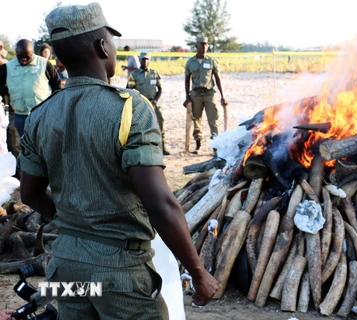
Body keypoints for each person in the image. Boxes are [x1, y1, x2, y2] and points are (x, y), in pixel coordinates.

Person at [18, 2, 217, 319]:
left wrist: (73, 224)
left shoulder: (40, 116)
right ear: (101, 46)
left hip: (65, 269)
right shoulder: (129, 108)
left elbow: (29, 193)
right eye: (111, 40)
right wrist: (198, 272)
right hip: (120, 276)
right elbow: (161, 203)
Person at [0, 39, 61, 138]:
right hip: (20, 115)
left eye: (27, 57)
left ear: (32, 52)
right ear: (16, 52)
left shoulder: (45, 64)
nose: (24, 59)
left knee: (45, 143)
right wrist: (6, 93)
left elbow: (57, 86)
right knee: (24, 146)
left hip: (43, 114)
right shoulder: (8, 67)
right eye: (21, 56)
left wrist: (54, 107)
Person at [183, 35, 228, 154]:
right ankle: (198, 145)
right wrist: (187, 97)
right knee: (196, 120)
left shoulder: (211, 61)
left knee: (213, 121)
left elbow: (218, 79)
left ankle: (215, 147)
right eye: (201, 44)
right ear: (196, 46)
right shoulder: (190, 62)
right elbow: (187, 80)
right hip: (195, 95)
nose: (204, 47)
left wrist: (223, 96)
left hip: (209, 94)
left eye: (206, 45)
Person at [127, 52, 170, 155]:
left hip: (153, 104)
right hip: (140, 105)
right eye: (143, 59)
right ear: (140, 60)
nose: (145, 61)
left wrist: (155, 100)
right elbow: (129, 89)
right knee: (139, 126)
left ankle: (163, 148)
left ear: (149, 61)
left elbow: (159, 89)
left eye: (147, 59)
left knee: (160, 123)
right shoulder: (134, 74)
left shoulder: (154, 74)